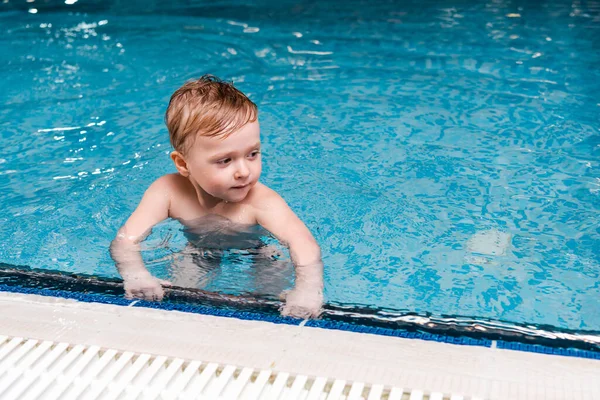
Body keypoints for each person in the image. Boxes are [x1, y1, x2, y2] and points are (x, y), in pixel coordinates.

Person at [109, 75, 324, 318]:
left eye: (252, 154)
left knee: (270, 299)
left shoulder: (261, 202)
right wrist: (137, 276)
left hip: (258, 252)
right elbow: (125, 240)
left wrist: (308, 290)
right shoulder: (167, 191)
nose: (244, 171)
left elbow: (303, 243)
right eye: (225, 160)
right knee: (182, 298)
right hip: (199, 249)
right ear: (183, 163)